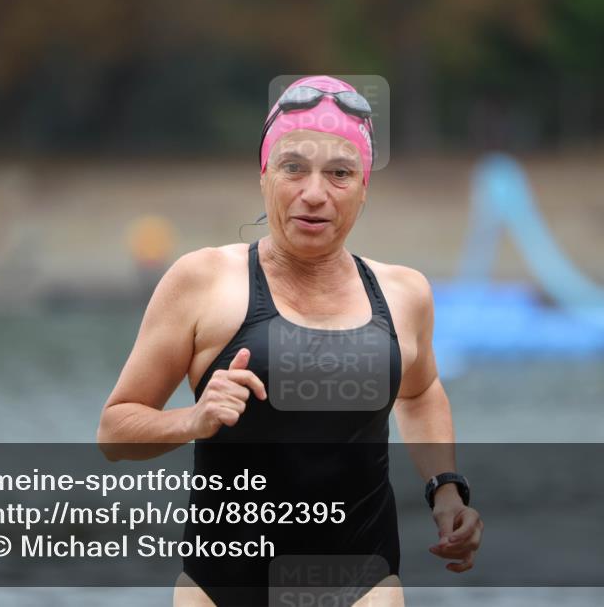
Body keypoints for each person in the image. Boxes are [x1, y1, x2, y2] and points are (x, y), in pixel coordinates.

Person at [97, 75, 482, 606]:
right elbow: (115, 430)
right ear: (264, 176)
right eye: (293, 168)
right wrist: (193, 418)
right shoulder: (203, 282)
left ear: (364, 187)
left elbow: (419, 392)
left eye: (340, 173)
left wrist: (445, 487)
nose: (314, 193)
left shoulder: (404, 293)